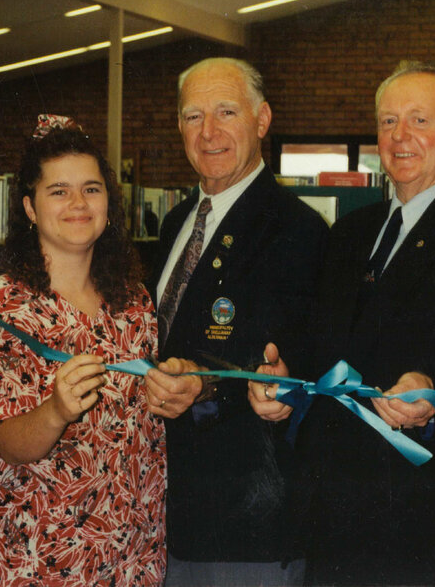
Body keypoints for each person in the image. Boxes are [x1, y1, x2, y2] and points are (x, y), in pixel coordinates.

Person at [252, 61, 435, 585]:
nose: (400, 137)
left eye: (419, 120)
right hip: (331, 524)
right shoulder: (348, 233)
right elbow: (325, 351)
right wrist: (281, 382)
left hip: (432, 528)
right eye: (388, 122)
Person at [143, 57, 329, 586]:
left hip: (246, 522)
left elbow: (279, 361)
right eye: (192, 116)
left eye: (226, 112)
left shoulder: (297, 230)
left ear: (262, 120)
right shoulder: (177, 222)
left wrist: (203, 384)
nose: (209, 132)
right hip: (167, 512)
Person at [0, 122, 165, 587]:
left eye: (91, 189)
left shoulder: (135, 303)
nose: (78, 204)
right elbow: (2, 442)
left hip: (132, 555)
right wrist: (55, 411)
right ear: (30, 208)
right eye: (59, 191)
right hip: (37, 558)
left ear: (108, 204)